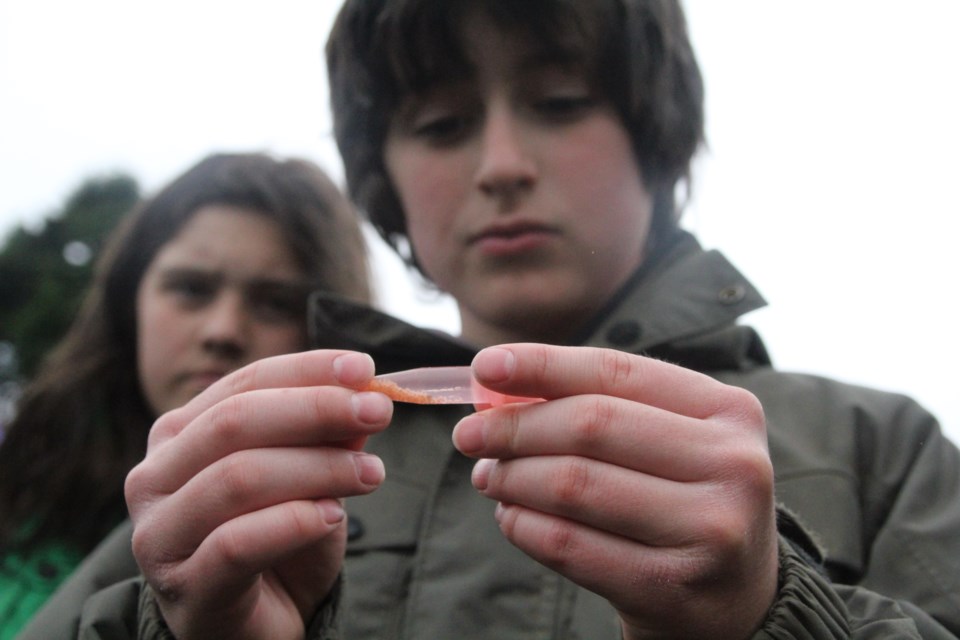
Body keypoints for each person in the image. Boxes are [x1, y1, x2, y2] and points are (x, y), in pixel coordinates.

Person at [21, 1, 960, 638]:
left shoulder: (882, 443)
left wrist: (775, 612)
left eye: (559, 104)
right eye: (439, 124)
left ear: (656, 140)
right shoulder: (247, 465)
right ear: (383, 179)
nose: (502, 162)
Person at [0, 151, 370, 639]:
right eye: (192, 289)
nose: (223, 330)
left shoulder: (344, 546)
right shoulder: (20, 477)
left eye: (275, 303)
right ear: (131, 301)